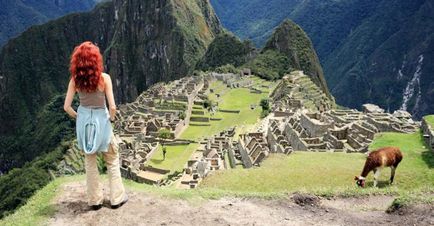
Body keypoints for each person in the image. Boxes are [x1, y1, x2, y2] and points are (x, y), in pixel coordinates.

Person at [64, 41, 128, 210]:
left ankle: (95, 201)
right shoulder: (104, 78)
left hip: (85, 122)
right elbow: (112, 107)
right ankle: (116, 199)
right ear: (96, 60)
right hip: (102, 120)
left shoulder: (75, 81)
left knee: (90, 161)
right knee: (112, 159)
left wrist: (79, 117)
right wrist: (111, 119)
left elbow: (66, 107)